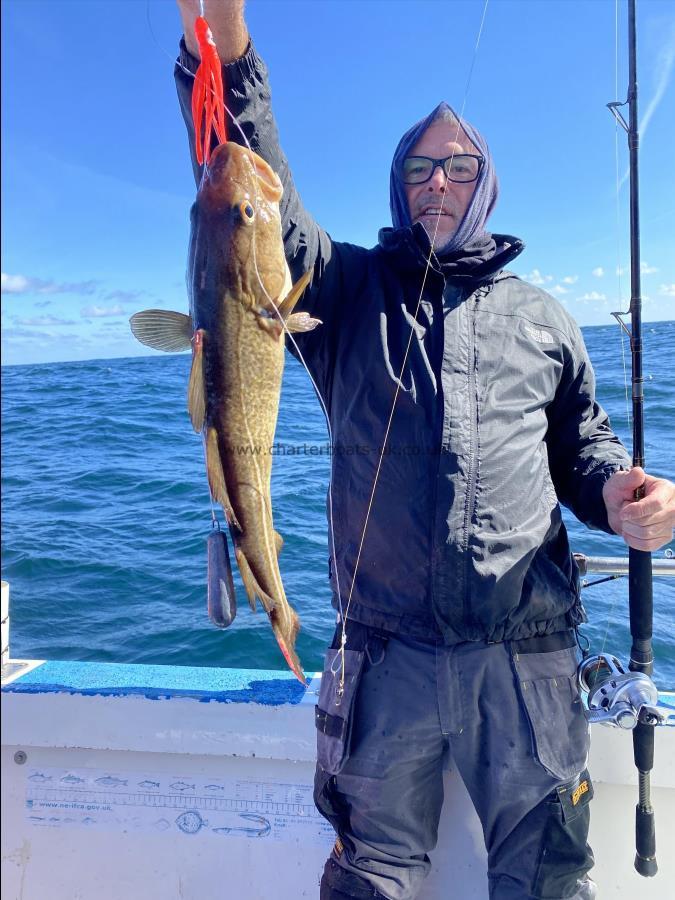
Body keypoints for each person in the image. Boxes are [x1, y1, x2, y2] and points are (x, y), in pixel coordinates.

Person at [175, 3, 675, 898]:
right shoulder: (345, 291)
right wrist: (223, 42)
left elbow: (582, 449)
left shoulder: (544, 318)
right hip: (382, 657)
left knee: (547, 875)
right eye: (416, 169)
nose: (435, 184)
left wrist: (623, 499)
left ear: (485, 183)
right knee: (371, 874)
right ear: (398, 186)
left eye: (456, 167)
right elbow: (256, 204)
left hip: (524, 660)